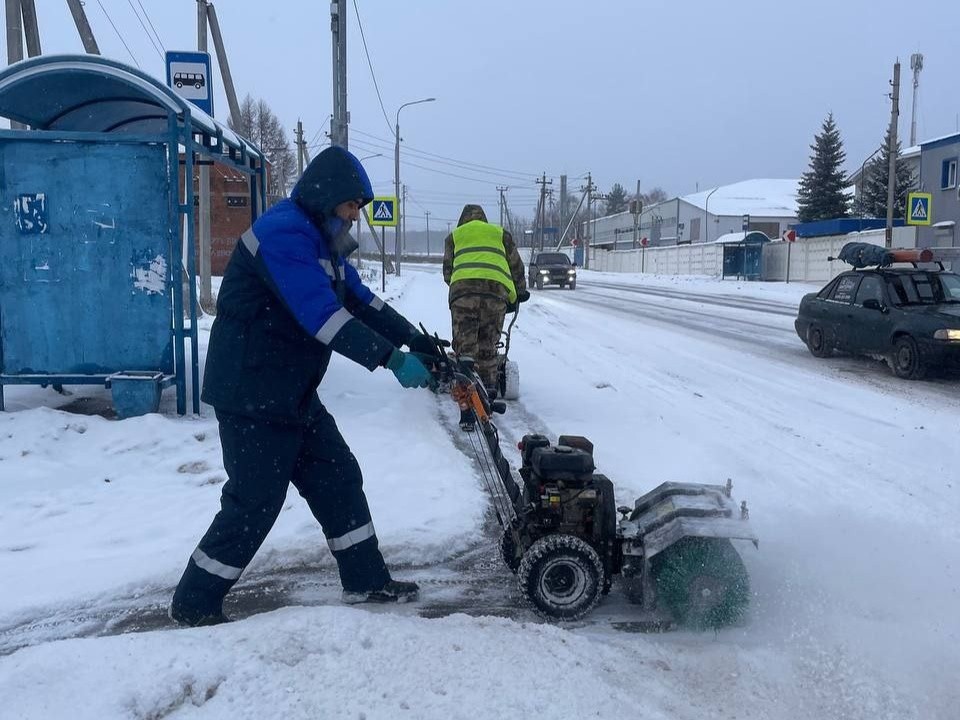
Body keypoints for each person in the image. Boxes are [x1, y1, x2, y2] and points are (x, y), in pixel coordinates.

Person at [170, 146, 437, 627]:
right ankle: (194, 603)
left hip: (290, 392)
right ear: (328, 195)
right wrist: (392, 360)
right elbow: (322, 317)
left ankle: (365, 580)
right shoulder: (283, 235)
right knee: (254, 502)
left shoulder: (321, 241)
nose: (356, 216)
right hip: (251, 392)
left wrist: (414, 339)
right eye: (352, 205)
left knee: (338, 476)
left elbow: (360, 301)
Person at [442, 204, 529, 425]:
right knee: (489, 347)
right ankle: (487, 396)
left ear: (463, 221)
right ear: (484, 219)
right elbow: (516, 266)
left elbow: (447, 272)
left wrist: (463, 288)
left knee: (465, 351)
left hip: (462, 296)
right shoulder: (500, 234)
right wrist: (519, 291)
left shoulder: (455, 236)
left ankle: (467, 409)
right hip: (496, 295)